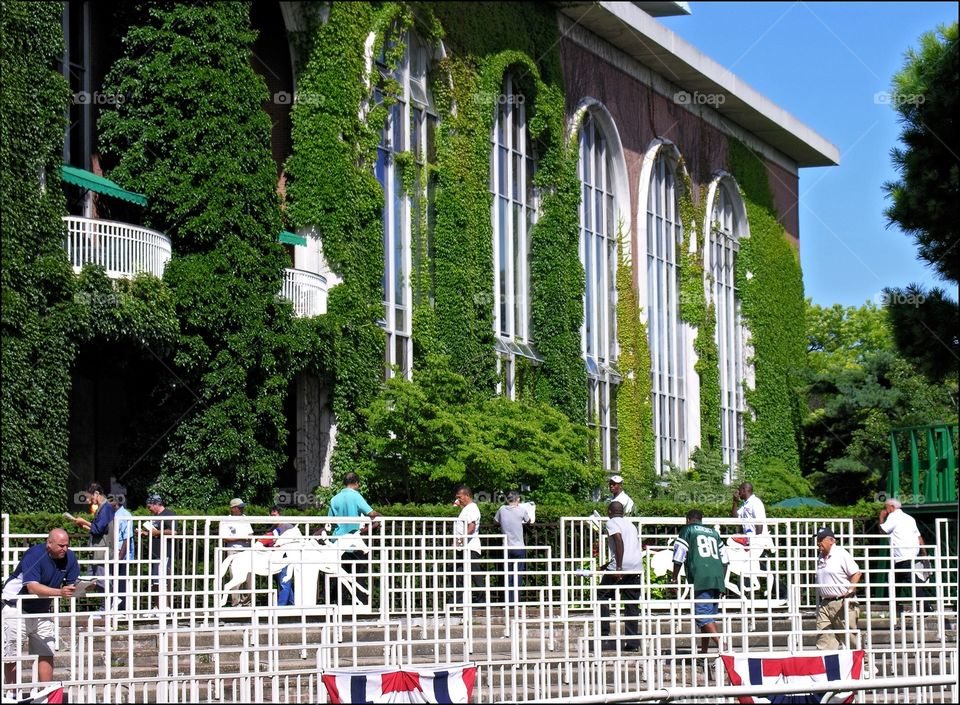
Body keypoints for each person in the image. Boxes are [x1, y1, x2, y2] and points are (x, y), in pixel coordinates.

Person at [2, 529, 80, 684]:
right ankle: (11, 694)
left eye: (67, 545)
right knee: (12, 654)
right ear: (49, 543)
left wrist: (84, 587)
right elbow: (32, 587)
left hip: (42, 609)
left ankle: (46, 694)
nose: (65, 549)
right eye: (61, 545)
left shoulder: (70, 556)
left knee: (46, 652)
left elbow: (73, 584)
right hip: (15, 606)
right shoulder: (34, 554)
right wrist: (60, 592)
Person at [671, 509, 728, 653]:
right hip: (717, 578)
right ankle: (704, 652)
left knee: (703, 616)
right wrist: (722, 581)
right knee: (708, 619)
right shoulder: (714, 533)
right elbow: (725, 560)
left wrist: (674, 578)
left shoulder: (687, 529)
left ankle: (723, 646)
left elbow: (679, 555)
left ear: (688, 519)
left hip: (701, 577)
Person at [328, 473, 381, 604]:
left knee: (340, 574)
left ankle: (338, 602)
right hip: (353, 542)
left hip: (337, 542)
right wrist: (379, 515)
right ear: (356, 482)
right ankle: (362, 603)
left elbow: (330, 520)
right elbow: (371, 513)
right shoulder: (356, 497)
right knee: (359, 573)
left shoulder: (334, 499)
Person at [598, 501, 641, 651]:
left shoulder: (611, 523)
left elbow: (619, 541)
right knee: (631, 604)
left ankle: (603, 633)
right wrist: (606, 566)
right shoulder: (631, 525)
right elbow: (629, 548)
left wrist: (618, 568)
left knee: (601, 595)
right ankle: (633, 643)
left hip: (621, 567)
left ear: (609, 511)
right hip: (636, 567)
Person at [879, 498, 932, 613]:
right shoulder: (909, 518)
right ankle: (893, 606)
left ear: (892, 507)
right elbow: (919, 537)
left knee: (912, 580)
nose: (885, 510)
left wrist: (881, 518)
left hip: (902, 555)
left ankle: (926, 606)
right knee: (896, 580)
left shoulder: (893, 517)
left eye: (886, 507)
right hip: (912, 554)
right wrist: (924, 554)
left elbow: (883, 531)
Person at [814, 527, 862, 650]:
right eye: (817, 539)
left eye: (821, 539)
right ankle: (826, 667)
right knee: (824, 638)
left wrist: (850, 591)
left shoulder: (841, 553)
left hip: (842, 602)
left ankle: (866, 665)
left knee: (851, 639)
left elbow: (856, 573)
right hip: (825, 603)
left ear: (831, 541)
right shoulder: (820, 556)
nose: (818, 542)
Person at [71, 482, 116, 591]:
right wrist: (84, 526)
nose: (88, 500)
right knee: (91, 580)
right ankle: (105, 605)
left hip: (102, 551)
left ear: (96, 493)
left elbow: (99, 529)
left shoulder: (106, 508)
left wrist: (84, 521)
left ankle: (107, 606)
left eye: (89, 497)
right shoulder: (102, 508)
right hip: (97, 551)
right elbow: (98, 529)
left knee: (102, 581)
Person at [494, 491, 533, 602]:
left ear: (507, 499)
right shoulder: (521, 510)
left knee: (507, 575)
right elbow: (528, 520)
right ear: (518, 499)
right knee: (518, 575)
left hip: (506, 547)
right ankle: (516, 601)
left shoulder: (501, 509)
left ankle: (508, 601)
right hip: (519, 546)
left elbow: (495, 521)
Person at [140, 494, 177, 613]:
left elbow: (173, 532)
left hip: (165, 552)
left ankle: (165, 607)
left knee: (163, 580)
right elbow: (156, 532)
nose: (149, 509)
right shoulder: (156, 516)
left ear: (157, 504)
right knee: (155, 580)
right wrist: (146, 533)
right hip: (155, 553)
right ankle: (157, 606)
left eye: (150, 506)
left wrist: (156, 532)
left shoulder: (169, 514)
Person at [220, 498, 254, 607]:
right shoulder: (226, 520)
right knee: (235, 577)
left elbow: (251, 534)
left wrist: (248, 538)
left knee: (249, 577)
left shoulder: (245, 518)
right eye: (240, 507)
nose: (242, 509)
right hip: (233, 551)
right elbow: (224, 538)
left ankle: (247, 602)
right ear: (233, 508)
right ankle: (235, 603)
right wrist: (240, 538)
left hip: (246, 550)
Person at [453, 486, 484, 603]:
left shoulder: (472, 509)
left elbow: (471, 527)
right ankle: (458, 600)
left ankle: (481, 600)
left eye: (459, 497)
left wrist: (460, 540)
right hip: (464, 547)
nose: (458, 500)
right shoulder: (466, 508)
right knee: (459, 574)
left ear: (467, 496)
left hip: (470, 547)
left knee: (475, 574)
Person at [260, 506, 295, 606]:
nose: (273, 518)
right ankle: (292, 604)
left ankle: (281, 607)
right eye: (271, 516)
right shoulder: (274, 528)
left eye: (274, 515)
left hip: (286, 557)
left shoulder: (288, 527)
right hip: (276, 557)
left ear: (280, 514)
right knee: (284, 582)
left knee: (284, 582)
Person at [110, 496, 135, 612]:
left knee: (121, 580)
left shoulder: (125, 515)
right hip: (114, 552)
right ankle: (115, 605)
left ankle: (121, 608)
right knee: (114, 579)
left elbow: (127, 537)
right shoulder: (114, 514)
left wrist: (120, 555)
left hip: (122, 553)